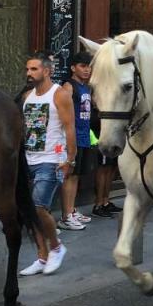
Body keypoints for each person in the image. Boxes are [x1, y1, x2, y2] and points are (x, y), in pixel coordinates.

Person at [18, 53, 73, 276]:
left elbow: (69, 128)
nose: (29, 73)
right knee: (31, 211)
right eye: (27, 69)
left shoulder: (59, 94)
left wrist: (69, 159)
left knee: (39, 206)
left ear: (47, 71)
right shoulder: (27, 96)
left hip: (51, 159)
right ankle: (42, 256)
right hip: (29, 158)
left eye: (34, 69)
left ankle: (57, 247)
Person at [57, 50, 95, 227]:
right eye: (83, 66)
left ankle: (71, 210)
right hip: (72, 138)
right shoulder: (68, 86)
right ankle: (65, 215)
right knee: (69, 176)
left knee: (76, 176)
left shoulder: (86, 87)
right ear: (73, 68)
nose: (87, 70)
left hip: (84, 135)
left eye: (89, 66)